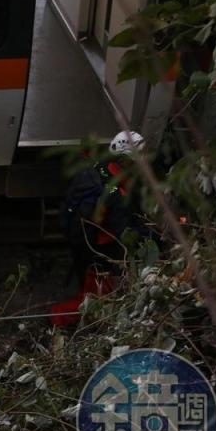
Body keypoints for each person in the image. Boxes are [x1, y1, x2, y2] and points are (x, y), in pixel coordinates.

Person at [52, 130, 145, 326]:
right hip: (100, 246)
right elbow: (124, 233)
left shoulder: (98, 168)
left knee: (87, 281)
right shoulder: (116, 194)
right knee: (97, 293)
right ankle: (59, 318)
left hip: (83, 237)